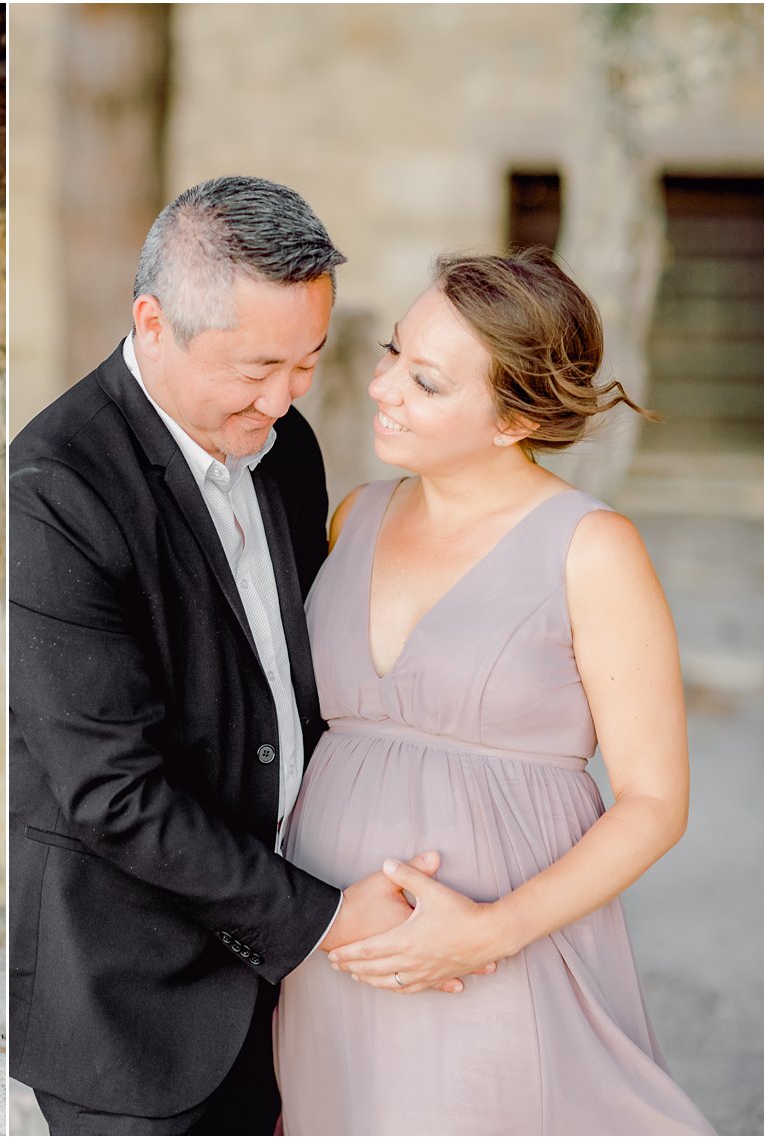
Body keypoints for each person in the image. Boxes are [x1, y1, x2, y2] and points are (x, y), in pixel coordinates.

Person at [9, 175, 471, 1136]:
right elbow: (113, 795)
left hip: (288, 992)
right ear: (153, 321)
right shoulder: (51, 492)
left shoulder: (285, 445)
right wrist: (324, 917)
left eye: (307, 361)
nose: (283, 397)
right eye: (257, 365)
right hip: (130, 1004)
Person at [274, 249, 714, 1134]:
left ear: (514, 418)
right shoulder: (352, 515)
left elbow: (656, 801)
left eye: (427, 381)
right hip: (329, 956)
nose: (383, 387)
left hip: (497, 960)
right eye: (394, 352)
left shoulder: (591, 547)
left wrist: (488, 931)